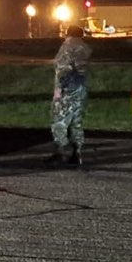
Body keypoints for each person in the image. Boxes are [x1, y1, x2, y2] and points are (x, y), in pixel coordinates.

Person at [49, 26, 93, 166]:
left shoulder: (67, 47)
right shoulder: (85, 49)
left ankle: (62, 152)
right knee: (76, 121)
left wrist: (60, 90)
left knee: (60, 121)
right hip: (81, 89)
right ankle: (77, 152)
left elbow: (63, 69)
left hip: (67, 89)